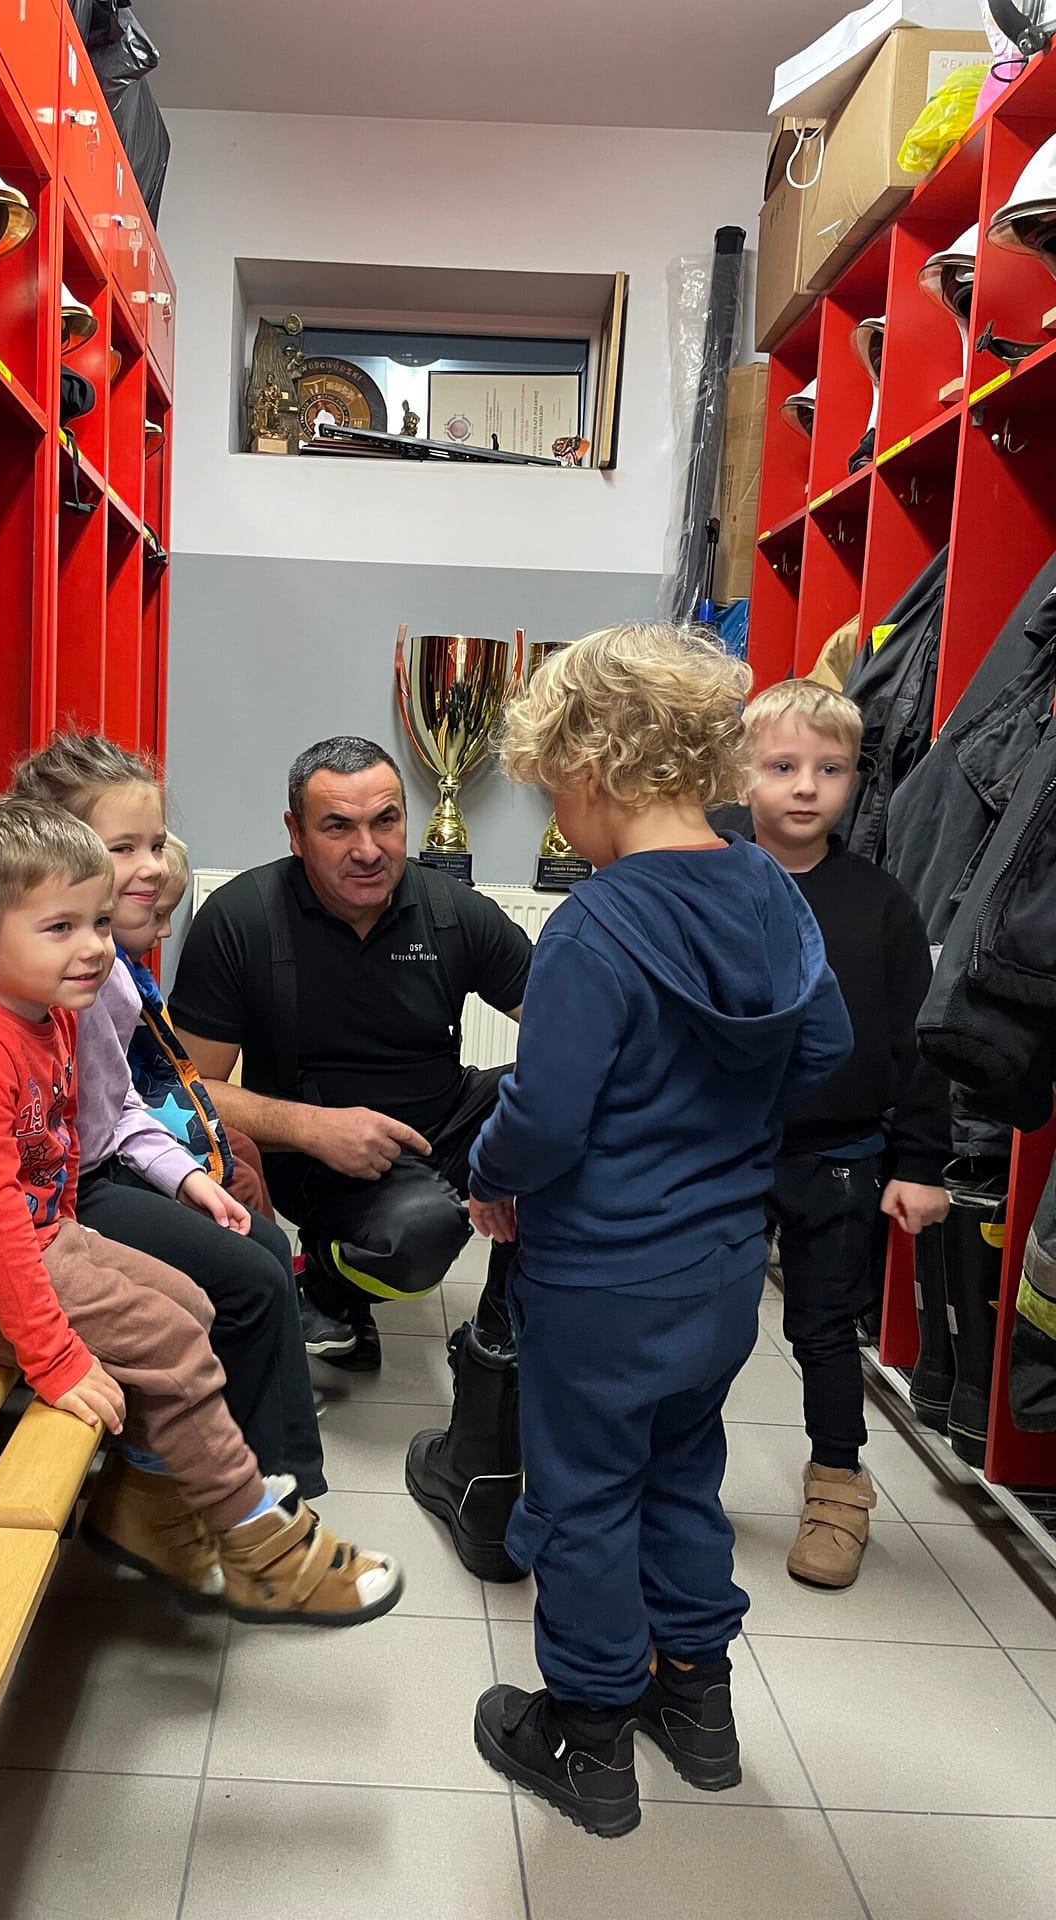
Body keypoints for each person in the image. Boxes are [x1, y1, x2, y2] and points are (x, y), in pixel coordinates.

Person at [466, 625, 851, 1838]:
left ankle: (586, 1735)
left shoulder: (595, 925)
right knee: (682, 1469)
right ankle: (697, 1701)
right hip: (722, 1268)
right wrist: (721, 1132)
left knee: (584, 1496)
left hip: (601, 1278)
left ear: (592, 768)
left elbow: (545, 1116)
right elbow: (829, 1046)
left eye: (553, 791)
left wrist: (489, 1175)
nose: (559, 816)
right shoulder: (769, 888)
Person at [0, 795, 399, 1622]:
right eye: (60, 928)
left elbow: (56, 1156)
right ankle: (262, 1551)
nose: (92, 947)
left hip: (38, 1239)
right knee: (171, 1343)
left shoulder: (47, 1014)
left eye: (95, 922)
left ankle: (142, 1505)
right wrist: (55, 1361)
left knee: (193, 1305)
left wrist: (96, 1231)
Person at [0, 732, 324, 1504]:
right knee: (239, 1285)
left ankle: (249, 1477)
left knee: (254, 1243)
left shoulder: (95, 976)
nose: (150, 866)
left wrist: (183, 1176)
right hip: (30, 1205)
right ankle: (205, 1497)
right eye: (123, 848)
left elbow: (116, 1102)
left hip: (66, 1184)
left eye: (154, 843)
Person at [168, 737, 532, 1579]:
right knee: (419, 1236)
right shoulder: (244, 919)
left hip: (445, 1116)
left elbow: (568, 1027)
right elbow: (186, 1092)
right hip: (317, 1149)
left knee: (571, 1115)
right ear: (296, 833)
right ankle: (328, 1285)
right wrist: (313, 1128)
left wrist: (529, 1145)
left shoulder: (451, 911)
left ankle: (503, 1353)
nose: (368, 849)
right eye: (338, 827)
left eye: (385, 822)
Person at [743, 681, 950, 1588]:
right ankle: (672, 1476)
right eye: (783, 766)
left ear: (856, 780)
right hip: (721, 1149)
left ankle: (837, 1485)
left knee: (825, 1330)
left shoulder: (881, 902)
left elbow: (917, 1041)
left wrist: (921, 1163)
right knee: (698, 1320)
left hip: (840, 1155)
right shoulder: (709, 880)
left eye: (829, 769)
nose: (805, 787)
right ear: (742, 774)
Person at [118, 834, 276, 1222]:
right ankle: (260, 1253)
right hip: (135, 1126)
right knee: (239, 1180)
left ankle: (276, 1256)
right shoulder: (111, 984)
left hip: (150, 1111)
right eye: (158, 915)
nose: (167, 932)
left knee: (245, 1148)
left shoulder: (134, 974)